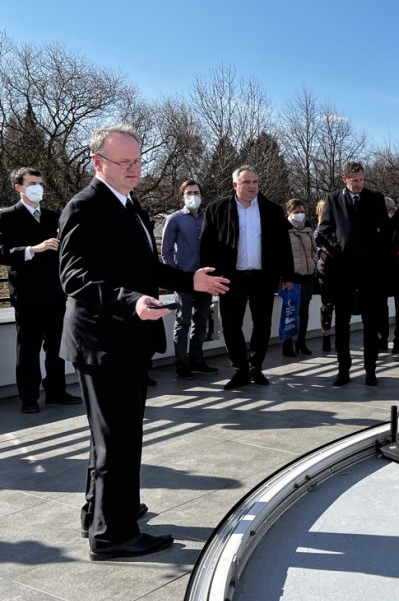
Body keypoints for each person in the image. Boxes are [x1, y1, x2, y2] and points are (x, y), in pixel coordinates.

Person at [59, 123, 229, 560]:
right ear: (98, 163)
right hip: (103, 341)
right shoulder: (84, 207)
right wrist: (130, 301)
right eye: (125, 162)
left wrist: (189, 279)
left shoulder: (129, 203)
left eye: (138, 160)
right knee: (115, 438)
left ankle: (103, 511)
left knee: (116, 434)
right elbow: (74, 278)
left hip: (127, 339)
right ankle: (112, 536)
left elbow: (145, 267)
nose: (135, 168)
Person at [200, 165, 293, 389]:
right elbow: (206, 246)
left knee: (262, 324)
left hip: (263, 277)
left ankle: (255, 368)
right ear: (235, 185)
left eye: (255, 182)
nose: (252, 186)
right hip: (230, 277)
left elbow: (284, 245)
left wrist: (288, 275)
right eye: (246, 182)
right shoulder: (217, 209)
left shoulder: (272, 210)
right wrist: (209, 277)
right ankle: (240, 371)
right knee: (231, 325)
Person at [0, 167, 83, 413]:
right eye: (33, 183)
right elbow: (2, 252)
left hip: (55, 292)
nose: (39, 188)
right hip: (27, 294)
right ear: (19, 188)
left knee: (56, 346)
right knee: (29, 348)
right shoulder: (7, 216)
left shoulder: (52, 216)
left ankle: (56, 392)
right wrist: (32, 249)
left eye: (40, 183)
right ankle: (29, 398)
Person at [315, 160, 389, 387]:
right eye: (354, 180)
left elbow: (386, 230)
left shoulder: (375, 198)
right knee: (342, 324)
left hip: (369, 272)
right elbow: (323, 230)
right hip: (342, 272)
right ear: (344, 179)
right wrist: (337, 249)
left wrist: (375, 251)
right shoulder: (333, 199)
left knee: (370, 324)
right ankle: (343, 370)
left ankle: (370, 371)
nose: (358, 184)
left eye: (362, 179)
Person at [161, 180, 217, 380]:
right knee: (183, 322)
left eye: (196, 192)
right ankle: (181, 364)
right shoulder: (174, 219)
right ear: (182, 196)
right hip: (184, 278)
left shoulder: (208, 218)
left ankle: (197, 360)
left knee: (201, 321)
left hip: (205, 278)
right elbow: (166, 251)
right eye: (189, 193)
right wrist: (176, 276)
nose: (193, 196)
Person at [283, 198, 318, 357]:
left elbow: (313, 249)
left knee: (304, 312)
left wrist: (313, 262)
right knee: (290, 312)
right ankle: (287, 345)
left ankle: (301, 342)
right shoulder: (284, 228)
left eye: (302, 211)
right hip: (292, 277)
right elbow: (282, 254)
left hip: (307, 275)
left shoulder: (308, 226)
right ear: (288, 212)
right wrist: (286, 277)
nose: (300, 214)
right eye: (296, 212)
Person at [380, 196, 399, 354]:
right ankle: (382, 338)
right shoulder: (377, 220)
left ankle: (398, 340)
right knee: (380, 307)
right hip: (382, 271)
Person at [314, 199, 335, 353]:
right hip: (325, 271)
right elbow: (314, 245)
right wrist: (321, 253)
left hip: (335, 270)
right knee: (327, 306)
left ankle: (330, 337)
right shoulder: (319, 229)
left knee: (330, 306)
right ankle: (326, 338)